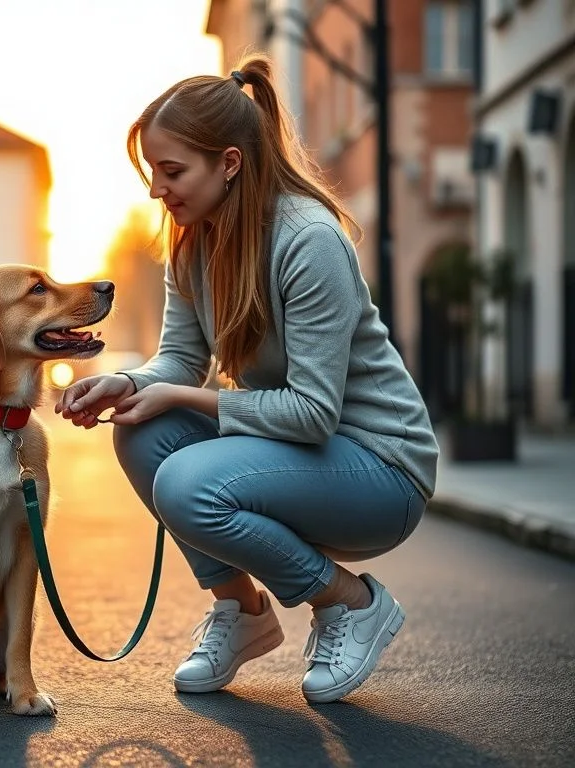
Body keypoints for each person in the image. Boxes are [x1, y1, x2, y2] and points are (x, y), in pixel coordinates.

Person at [55, 54, 438, 704]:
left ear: (229, 163)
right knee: (142, 432)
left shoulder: (308, 240)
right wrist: (132, 383)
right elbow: (179, 360)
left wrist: (176, 394)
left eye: (172, 171)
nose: (156, 189)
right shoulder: (191, 245)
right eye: (152, 172)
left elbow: (313, 413)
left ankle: (349, 601)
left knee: (184, 479)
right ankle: (242, 611)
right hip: (306, 458)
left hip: (381, 471)